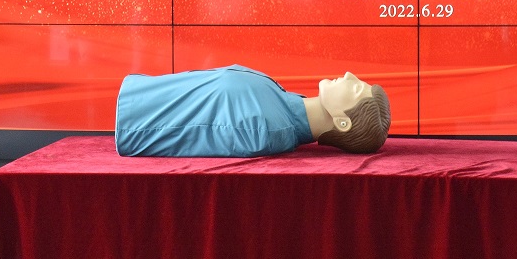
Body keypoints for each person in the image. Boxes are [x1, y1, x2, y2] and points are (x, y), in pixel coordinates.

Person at [115, 67, 391, 157]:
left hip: (135, 119)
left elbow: (189, 133)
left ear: (342, 122)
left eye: (356, 88)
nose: (349, 75)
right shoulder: (280, 105)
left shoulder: (265, 129)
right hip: (139, 95)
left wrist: (134, 126)